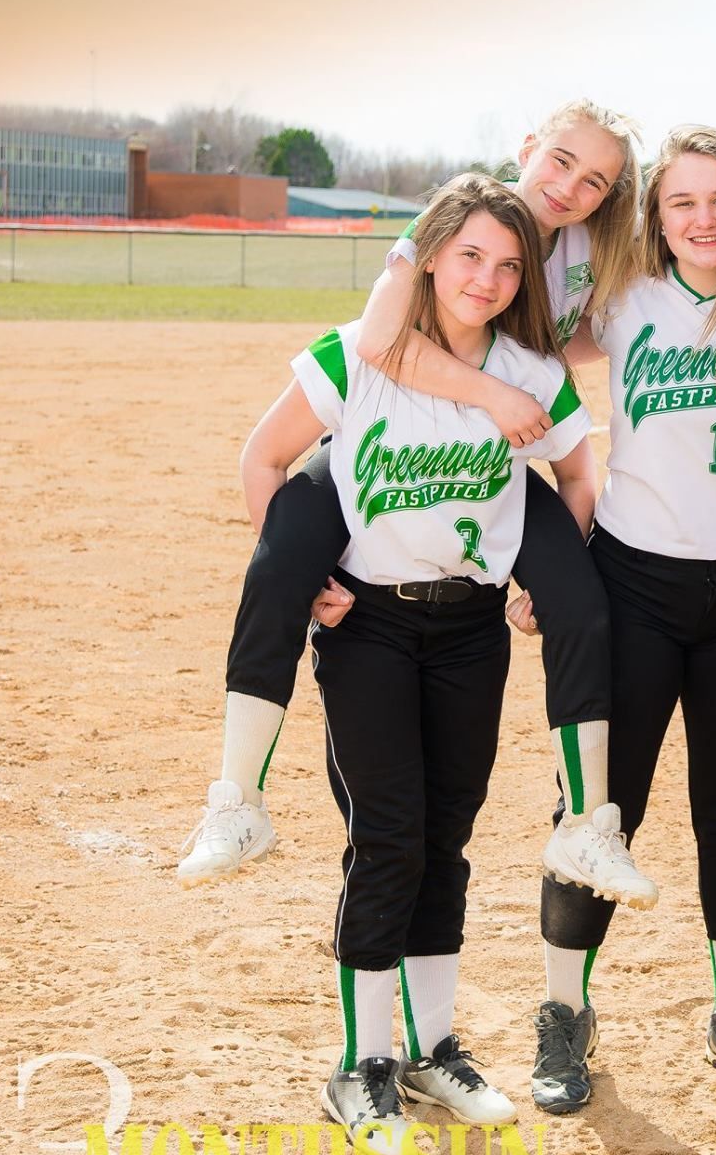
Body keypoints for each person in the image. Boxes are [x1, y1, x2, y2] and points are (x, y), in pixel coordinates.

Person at [178, 100, 656, 909]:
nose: (571, 187)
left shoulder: (586, 253)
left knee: (577, 598)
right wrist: (495, 392)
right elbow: (375, 343)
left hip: (495, 450)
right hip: (391, 430)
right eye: (561, 161)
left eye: (596, 181)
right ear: (527, 146)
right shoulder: (456, 212)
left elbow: (574, 370)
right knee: (286, 555)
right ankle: (237, 800)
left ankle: (586, 821)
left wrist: (526, 379)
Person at [239, 175, 595, 1155]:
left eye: (507, 263)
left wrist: (540, 576)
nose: (485, 277)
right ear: (428, 253)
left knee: (445, 834)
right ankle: (362, 1063)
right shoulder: (357, 354)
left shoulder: (527, 369)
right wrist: (302, 572)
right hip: (372, 631)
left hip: (471, 627)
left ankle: (434, 1046)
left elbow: (576, 470)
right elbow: (261, 458)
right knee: (388, 835)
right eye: (468, 254)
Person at [530, 128, 716, 1113]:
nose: (702, 219)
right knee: (594, 808)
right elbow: (515, 352)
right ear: (653, 215)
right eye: (681, 201)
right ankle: (564, 1011)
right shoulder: (624, 295)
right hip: (630, 587)